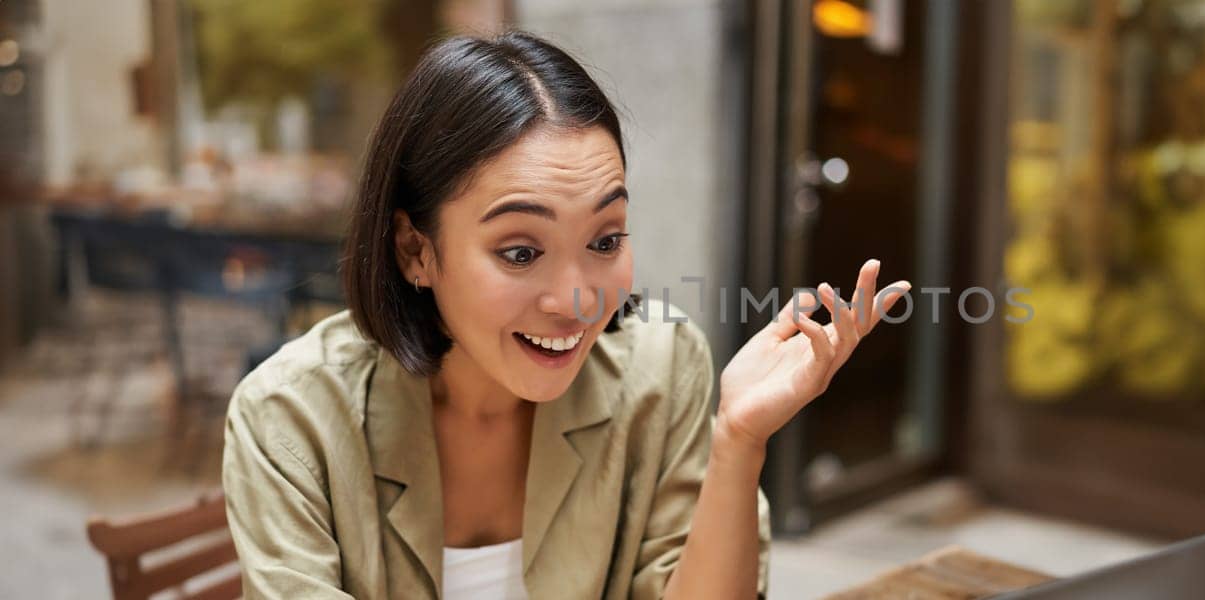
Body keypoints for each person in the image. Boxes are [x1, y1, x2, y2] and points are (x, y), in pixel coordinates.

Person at [220, 30, 909, 599]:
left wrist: (738, 442)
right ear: (414, 250)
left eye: (605, 240)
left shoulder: (661, 369)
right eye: (521, 252)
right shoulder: (292, 416)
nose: (576, 299)